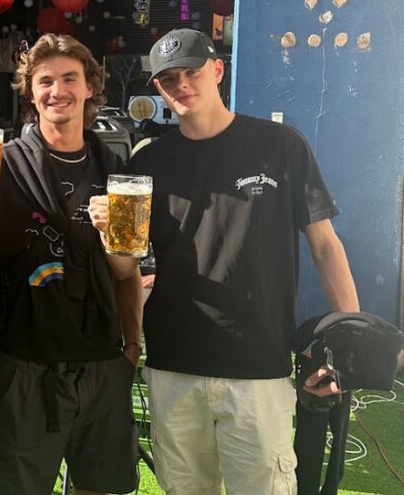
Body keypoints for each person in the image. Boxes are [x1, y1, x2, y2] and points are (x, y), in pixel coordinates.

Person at [89, 28, 360, 495]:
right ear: (157, 88)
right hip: (173, 364)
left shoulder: (281, 146)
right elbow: (125, 266)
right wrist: (109, 233)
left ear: (217, 70)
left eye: (191, 72)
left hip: (258, 364)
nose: (181, 85)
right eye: (168, 78)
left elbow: (325, 245)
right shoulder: (147, 161)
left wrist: (350, 340)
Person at [0, 33, 142, 494]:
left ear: (90, 87)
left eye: (70, 78)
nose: (57, 90)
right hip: (27, 361)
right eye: (45, 80)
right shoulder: (1, 163)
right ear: (30, 92)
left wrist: (132, 348)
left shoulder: (115, 169)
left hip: (103, 361)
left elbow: (127, 272)